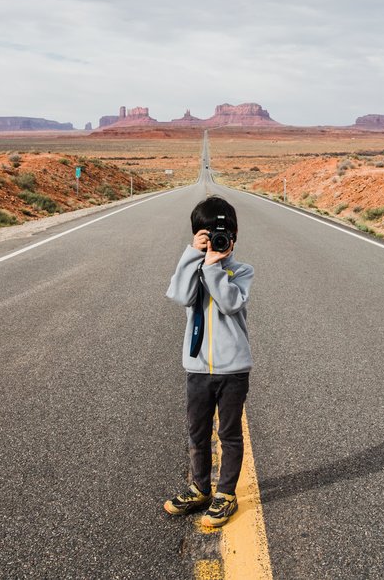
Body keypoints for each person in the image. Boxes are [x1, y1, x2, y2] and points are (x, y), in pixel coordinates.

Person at [163, 195, 254, 528]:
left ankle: (226, 494)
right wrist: (193, 256)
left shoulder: (241, 270)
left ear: (233, 238)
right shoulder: (194, 269)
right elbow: (179, 295)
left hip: (233, 372)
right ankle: (200, 488)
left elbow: (229, 302)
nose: (216, 241)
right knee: (197, 433)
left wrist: (215, 267)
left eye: (222, 236)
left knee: (228, 434)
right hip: (198, 369)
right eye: (207, 235)